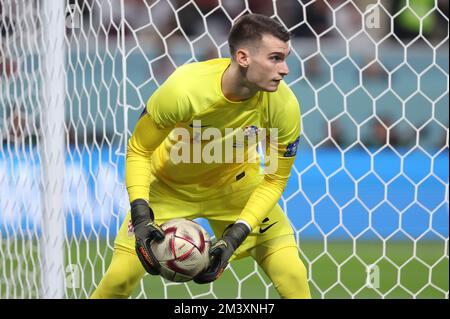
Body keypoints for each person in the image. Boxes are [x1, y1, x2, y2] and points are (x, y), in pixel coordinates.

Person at [91, 13, 311, 299]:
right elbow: (139, 150)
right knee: (117, 282)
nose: (285, 69)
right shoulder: (185, 90)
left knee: (293, 275)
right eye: (275, 58)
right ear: (243, 58)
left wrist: (235, 236)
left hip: (237, 190)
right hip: (169, 189)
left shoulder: (283, 106)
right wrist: (142, 215)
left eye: (285, 58)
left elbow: (273, 179)